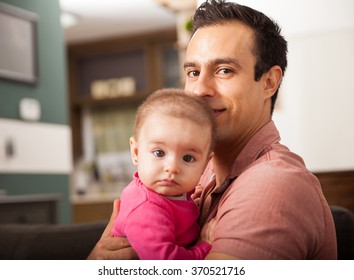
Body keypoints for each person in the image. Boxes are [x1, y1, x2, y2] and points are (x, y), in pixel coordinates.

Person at [88, 0, 337, 260]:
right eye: (193, 72)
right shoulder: (200, 169)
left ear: (269, 82)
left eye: (224, 70)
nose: (199, 90)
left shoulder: (271, 184)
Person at [109, 88, 216, 259]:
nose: (172, 167)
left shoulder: (172, 192)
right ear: (136, 152)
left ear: (205, 164)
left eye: (188, 158)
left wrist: (189, 199)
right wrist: (204, 247)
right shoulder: (146, 210)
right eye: (159, 153)